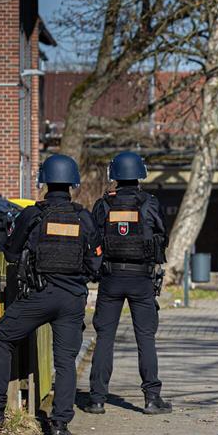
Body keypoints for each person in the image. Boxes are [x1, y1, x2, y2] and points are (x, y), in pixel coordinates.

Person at [0, 154, 102, 435]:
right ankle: (60, 425)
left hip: (40, 295)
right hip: (73, 299)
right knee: (65, 361)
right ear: (73, 183)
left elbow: (11, 252)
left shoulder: (34, 214)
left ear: (45, 181)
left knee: (1, 338)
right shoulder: (82, 216)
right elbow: (96, 264)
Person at [82, 151, 172, 416]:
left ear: (115, 176)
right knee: (145, 338)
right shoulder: (149, 203)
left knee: (105, 338)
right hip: (141, 279)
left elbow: (93, 239)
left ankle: (97, 399)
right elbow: (161, 236)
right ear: (139, 175)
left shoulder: (103, 205)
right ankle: (152, 399)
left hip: (110, 278)